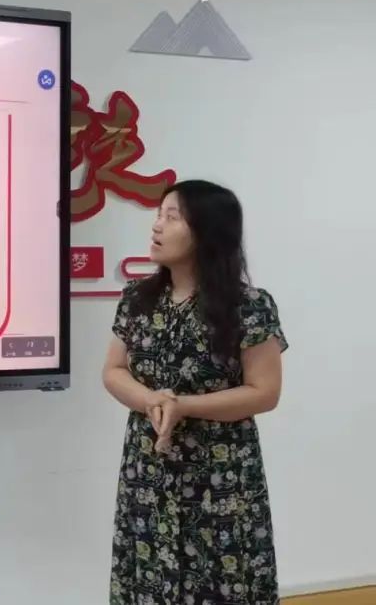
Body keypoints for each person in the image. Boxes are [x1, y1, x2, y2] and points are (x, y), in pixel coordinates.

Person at [102, 179, 287, 605]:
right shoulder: (137, 299)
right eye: (158, 215)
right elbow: (113, 370)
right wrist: (151, 400)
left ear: (207, 231)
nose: (156, 226)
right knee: (148, 578)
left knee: (222, 580)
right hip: (148, 470)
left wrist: (184, 406)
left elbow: (265, 392)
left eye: (172, 217)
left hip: (221, 475)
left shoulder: (249, 305)